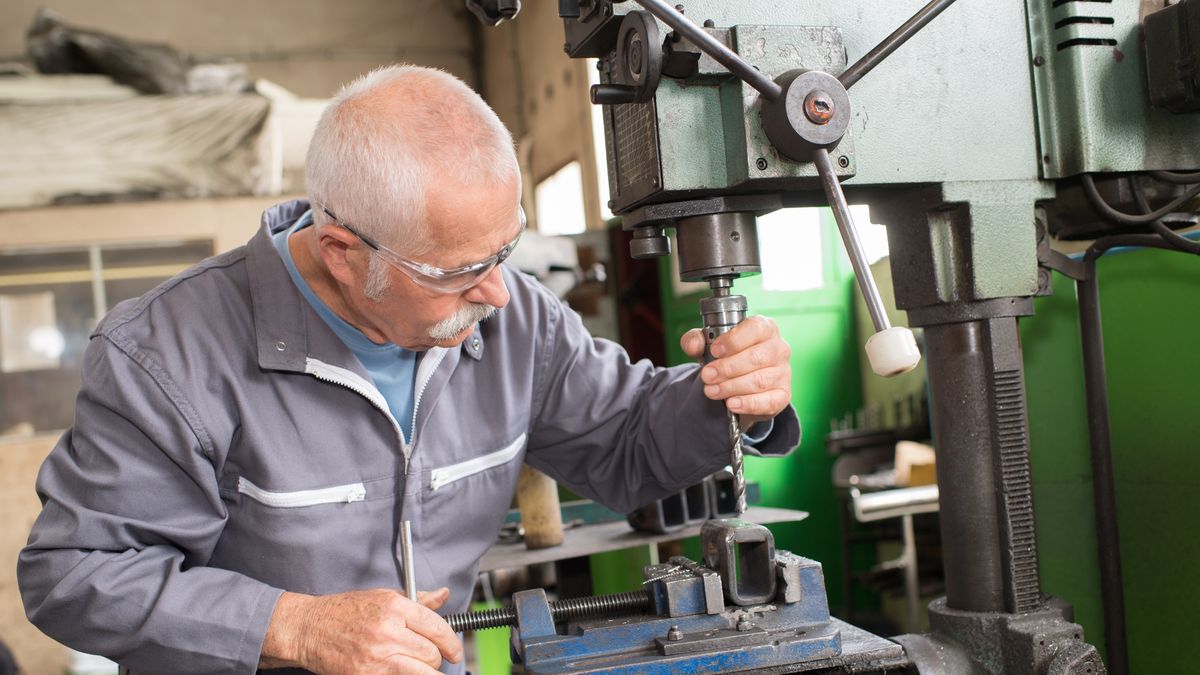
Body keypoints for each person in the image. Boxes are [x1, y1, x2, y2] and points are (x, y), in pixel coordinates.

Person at [19, 65, 799, 674]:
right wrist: (292, 625)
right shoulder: (168, 354)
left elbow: (626, 439)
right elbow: (76, 574)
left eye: (507, 250)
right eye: (461, 270)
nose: (497, 290)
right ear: (342, 254)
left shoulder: (511, 314)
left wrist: (732, 398)